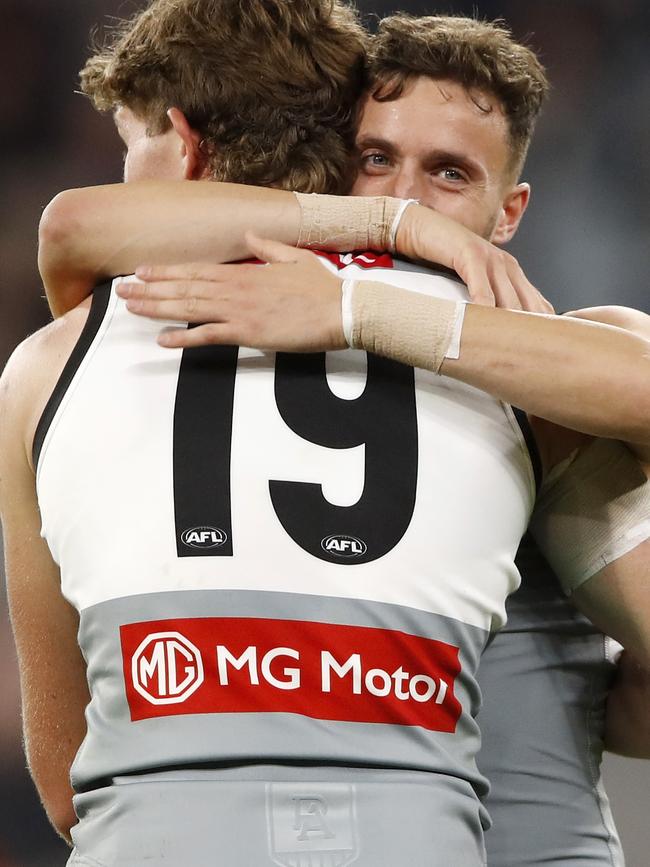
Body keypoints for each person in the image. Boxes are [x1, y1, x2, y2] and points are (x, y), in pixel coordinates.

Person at [5, 5, 650, 866]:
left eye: (448, 175)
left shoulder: (58, 359)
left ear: (511, 213)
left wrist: (356, 307)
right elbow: (73, 227)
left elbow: (67, 781)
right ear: (337, 166)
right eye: (377, 161)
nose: (404, 197)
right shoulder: (531, 397)